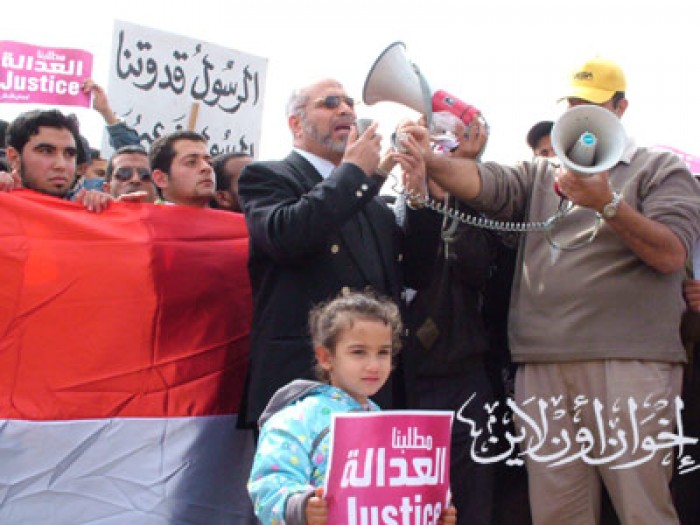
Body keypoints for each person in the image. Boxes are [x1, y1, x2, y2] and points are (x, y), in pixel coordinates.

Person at [402, 57, 700, 525]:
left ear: (620, 108)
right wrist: (432, 161)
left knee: (642, 507)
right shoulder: (541, 173)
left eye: (593, 105)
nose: (580, 114)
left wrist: (608, 204)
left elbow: (670, 254)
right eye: (573, 104)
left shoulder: (659, 168)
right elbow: (486, 182)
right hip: (542, 365)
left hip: (628, 362)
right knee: (557, 511)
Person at [237, 78, 442, 429]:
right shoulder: (267, 176)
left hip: (374, 391)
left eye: (349, 103)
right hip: (303, 387)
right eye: (330, 103)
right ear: (296, 123)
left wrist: (420, 197)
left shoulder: (367, 198)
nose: (345, 110)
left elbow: (416, 273)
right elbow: (287, 237)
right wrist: (354, 173)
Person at [248, 290, 457, 525]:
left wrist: (430, 512)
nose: (373, 365)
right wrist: (301, 507)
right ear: (326, 357)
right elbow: (268, 484)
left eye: (383, 352)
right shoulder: (297, 419)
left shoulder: (387, 424)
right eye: (358, 352)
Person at [0, 109, 117, 213]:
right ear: (14, 157)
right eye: (46, 151)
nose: (61, 165)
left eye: (69, 154)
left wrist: (112, 210)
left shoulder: (93, 209)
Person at [149, 130, 215, 207]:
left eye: (209, 163)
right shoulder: (142, 214)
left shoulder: (224, 215)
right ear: (161, 179)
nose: (207, 167)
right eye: (191, 162)